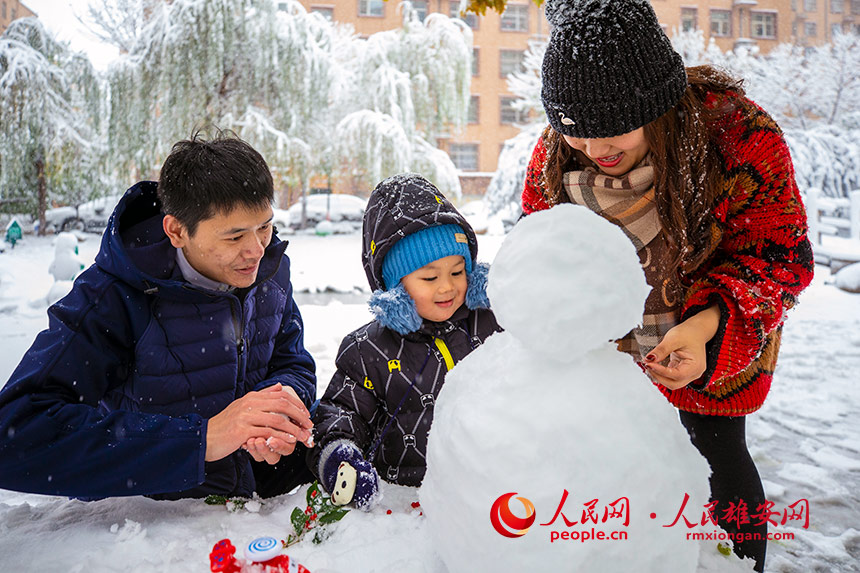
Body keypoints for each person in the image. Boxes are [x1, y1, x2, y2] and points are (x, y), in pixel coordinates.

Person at [521, 1, 814, 570]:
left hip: (714, 353)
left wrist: (707, 327)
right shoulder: (557, 149)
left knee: (718, 461)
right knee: (616, 482)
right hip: (604, 362)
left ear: (653, 103)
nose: (594, 149)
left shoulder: (739, 134)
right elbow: (542, 248)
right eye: (578, 135)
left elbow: (780, 256)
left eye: (612, 131)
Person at [0, 134, 316, 500]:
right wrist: (201, 440)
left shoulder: (270, 271)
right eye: (234, 237)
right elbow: (16, 433)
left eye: (264, 226)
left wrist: (275, 409)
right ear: (177, 231)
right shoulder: (112, 294)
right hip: (150, 526)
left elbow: (292, 362)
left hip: (259, 506)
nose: (257, 250)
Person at [309, 174, 502, 508]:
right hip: (407, 498)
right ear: (395, 285)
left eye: (457, 272)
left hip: (497, 485)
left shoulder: (494, 322)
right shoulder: (368, 349)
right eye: (429, 277)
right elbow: (341, 412)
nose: (447, 287)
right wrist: (341, 457)